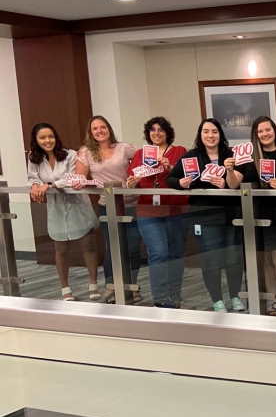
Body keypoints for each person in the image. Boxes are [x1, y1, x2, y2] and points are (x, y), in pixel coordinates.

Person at [167, 118, 244, 312]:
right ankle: (217, 300)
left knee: (233, 258)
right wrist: (182, 184)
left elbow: (239, 181)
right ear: (200, 135)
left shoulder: (231, 154)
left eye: (215, 131)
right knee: (211, 259)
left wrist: (226, 180)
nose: (210, 135)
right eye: (206, 132)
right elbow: (171, 179)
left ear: (220, 134)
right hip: (204, 216)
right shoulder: (191, 157)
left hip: (231, 215)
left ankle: (235, 296)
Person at [225, 116, 276, 316]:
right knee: (266, 260)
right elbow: (232, 184)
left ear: (275, 131)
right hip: (257, 212)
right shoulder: (247, 159)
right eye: (260, 131)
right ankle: (274, 300)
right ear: (255, 135)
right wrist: (229, 169)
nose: (265, 134)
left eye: (268, 130)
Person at [26, 123, 101, 301]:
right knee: (60, 249)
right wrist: (35, 186)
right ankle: (65, 289)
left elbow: (71, 178)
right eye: (42, 137)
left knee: (88, 245)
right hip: (56, 207)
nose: (47, 140)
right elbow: (32, 177)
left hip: (77, 204)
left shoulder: (70, 155)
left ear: (56, 137)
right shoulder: (34, 158)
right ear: (36, 141)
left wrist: (50, 185)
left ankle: (93, 284)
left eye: (50, 136)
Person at [74, 115, 141, 303]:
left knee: (133, 247)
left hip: (131, 204)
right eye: (95, 128)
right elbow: (79, 176)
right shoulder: (86, 152)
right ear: (91, 132)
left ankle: (131, 287)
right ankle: (112, 287)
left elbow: (142, 165)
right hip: (107, 206)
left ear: (109, 129)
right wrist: (80, 182)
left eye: (102, 127)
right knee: (112, 248)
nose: (99, 131)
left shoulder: (124, 148)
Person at [126, 117, 187, 308]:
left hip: (175, 208)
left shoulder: (180, 151)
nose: (157, 133)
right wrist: (132, 182)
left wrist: (170, 167)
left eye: (161, 130)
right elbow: (130, 178)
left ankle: (174, 295)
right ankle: (161, 299)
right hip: (148, 210)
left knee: (176, 253)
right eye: (152, 130)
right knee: (158, 253)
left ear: (168, 132)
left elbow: (187, 176)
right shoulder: (140, 154)